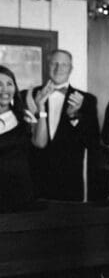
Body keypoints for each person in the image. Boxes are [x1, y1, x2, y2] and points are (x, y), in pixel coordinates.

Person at [27, 49, 101, 201]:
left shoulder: (87, 100)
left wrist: (73, 116)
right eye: (54, 63)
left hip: (69, 180)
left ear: (71, 69)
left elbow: (92, 142)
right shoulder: (31, 95)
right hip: (35, 178)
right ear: (48, 66)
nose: (58, 68)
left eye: (64, 65)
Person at [0, 65, 45, 212]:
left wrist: (41, 109)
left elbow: (40, 143)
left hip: (20, 192)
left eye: (9, 84)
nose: (5, 90)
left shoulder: (24, 116)